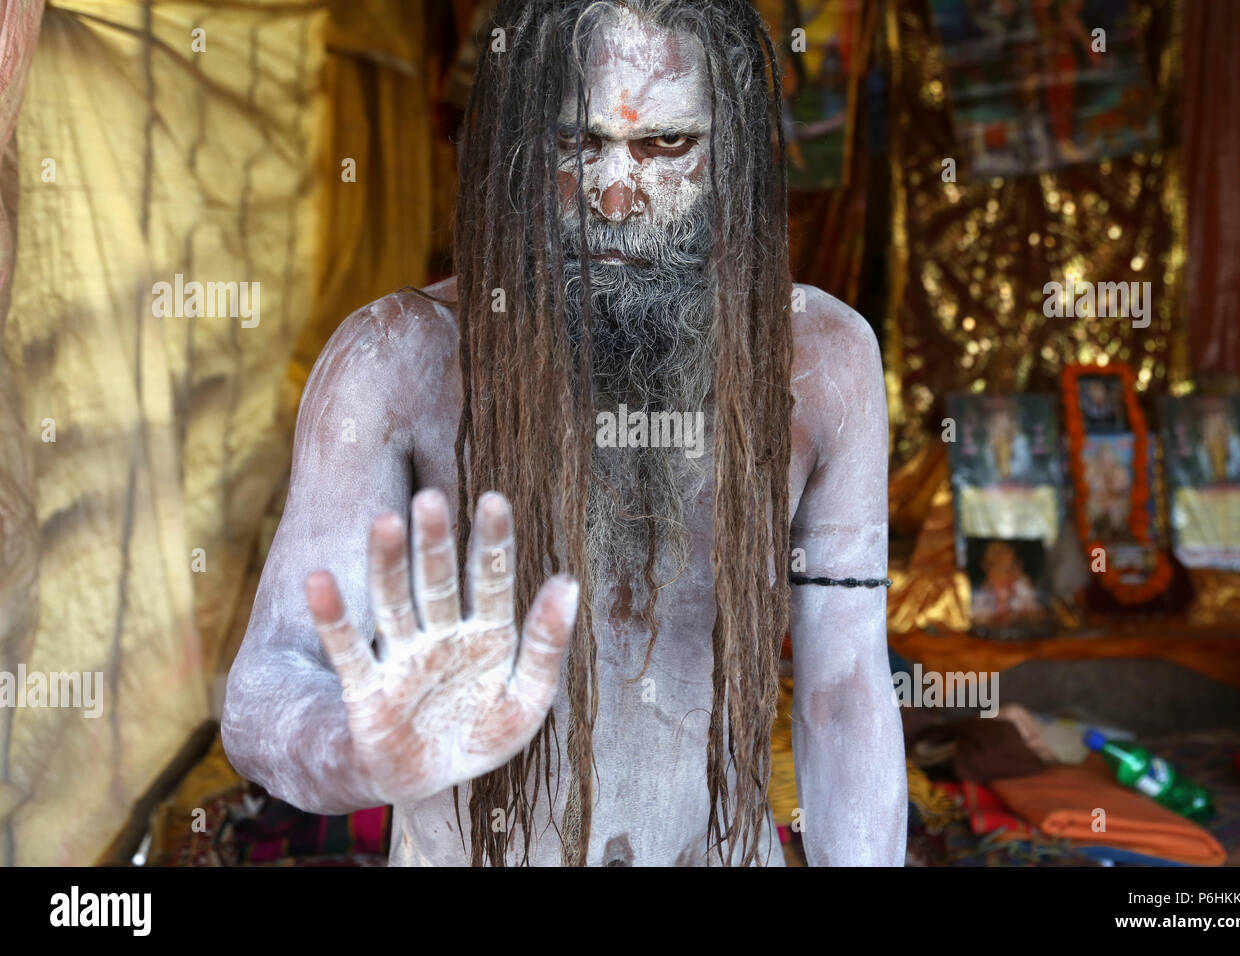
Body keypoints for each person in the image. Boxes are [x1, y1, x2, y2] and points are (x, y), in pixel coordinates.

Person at [221, 0, 905, 867]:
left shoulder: (822, 358)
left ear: (730, 148)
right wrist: (364, 745)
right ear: (512, 149)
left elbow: (844, 689)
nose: (615, 195)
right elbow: (264, 690)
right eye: (574, 144)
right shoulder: (394, 359)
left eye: (665, 146)